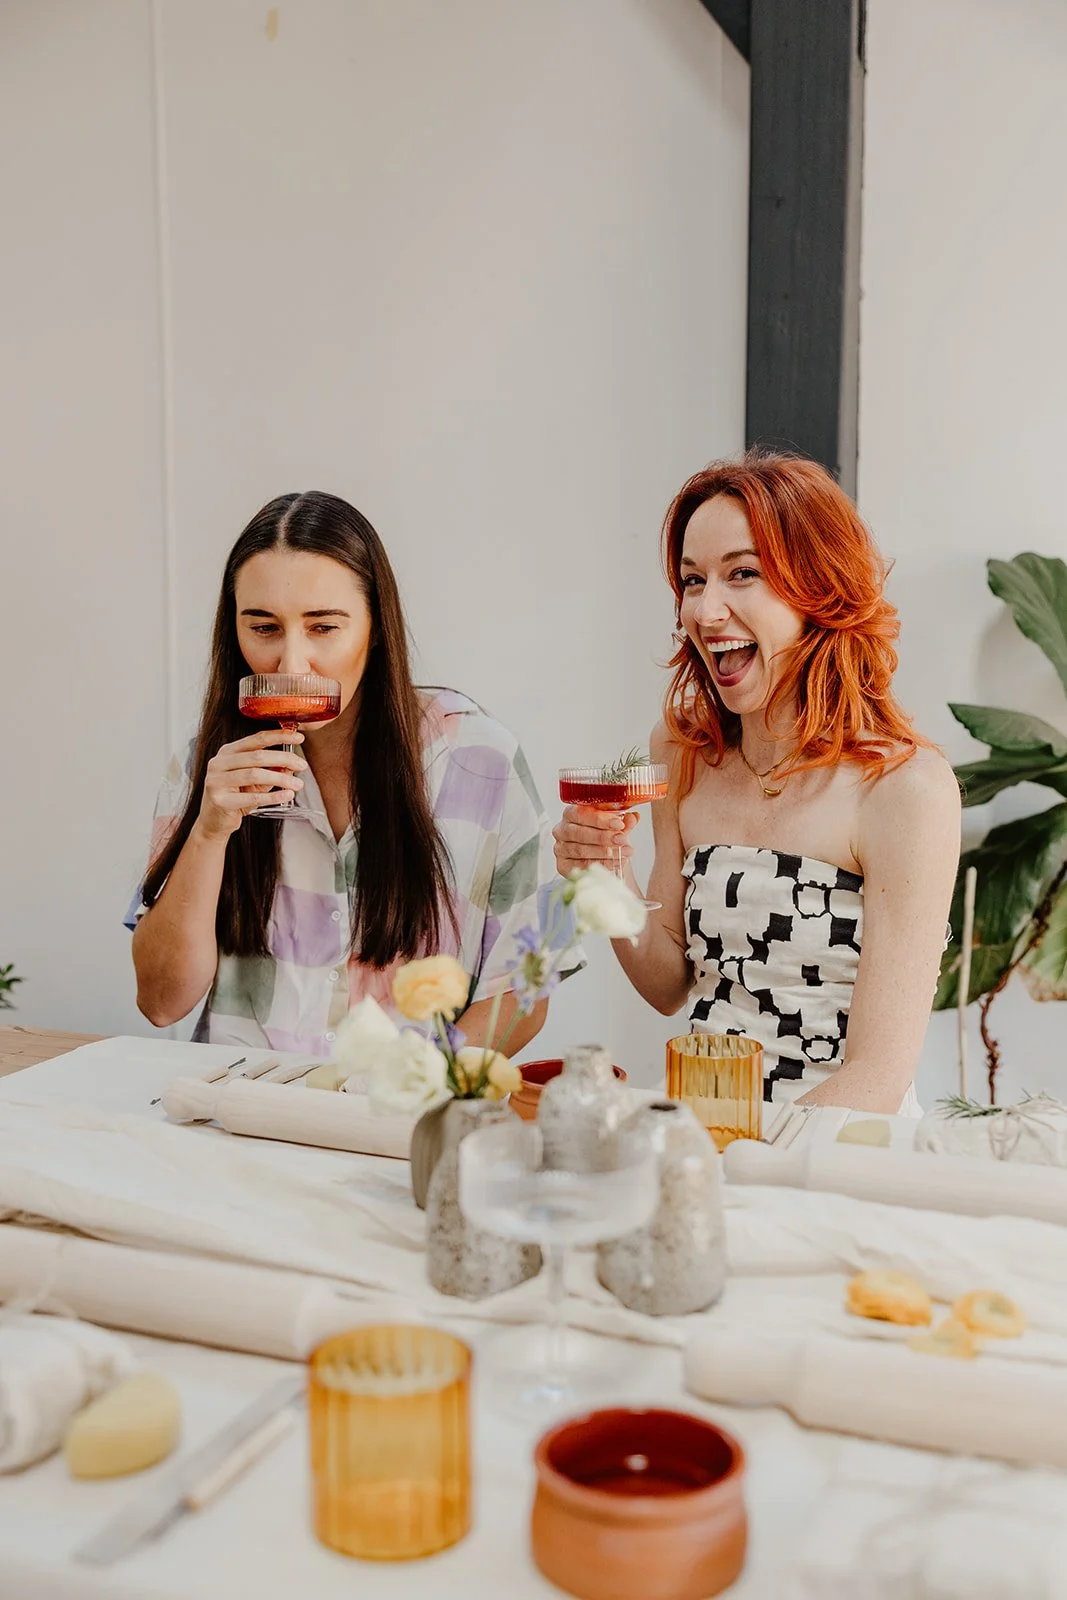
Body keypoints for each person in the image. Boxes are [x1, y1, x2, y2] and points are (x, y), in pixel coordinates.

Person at [553, 452, 961, 1113]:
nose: (706, 609)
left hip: (833, 1144)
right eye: (692, 580)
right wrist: (605, 874)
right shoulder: (681, 752)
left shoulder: (905, 788)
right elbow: (667, 984)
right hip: (706, 1127)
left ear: (817, 588)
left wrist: (746, 1160)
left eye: (742, 573)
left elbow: (878, 1076)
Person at [129, 491, 570, 1057]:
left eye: (323, 628)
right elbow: (161, 1001)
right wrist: (210, 833)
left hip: (395, 1106)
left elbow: (521, 993)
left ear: (376, 627)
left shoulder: (480, 761)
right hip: (237, 1097)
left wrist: (413, 1088)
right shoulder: (207, 766)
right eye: (264, 628)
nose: (292, 665)